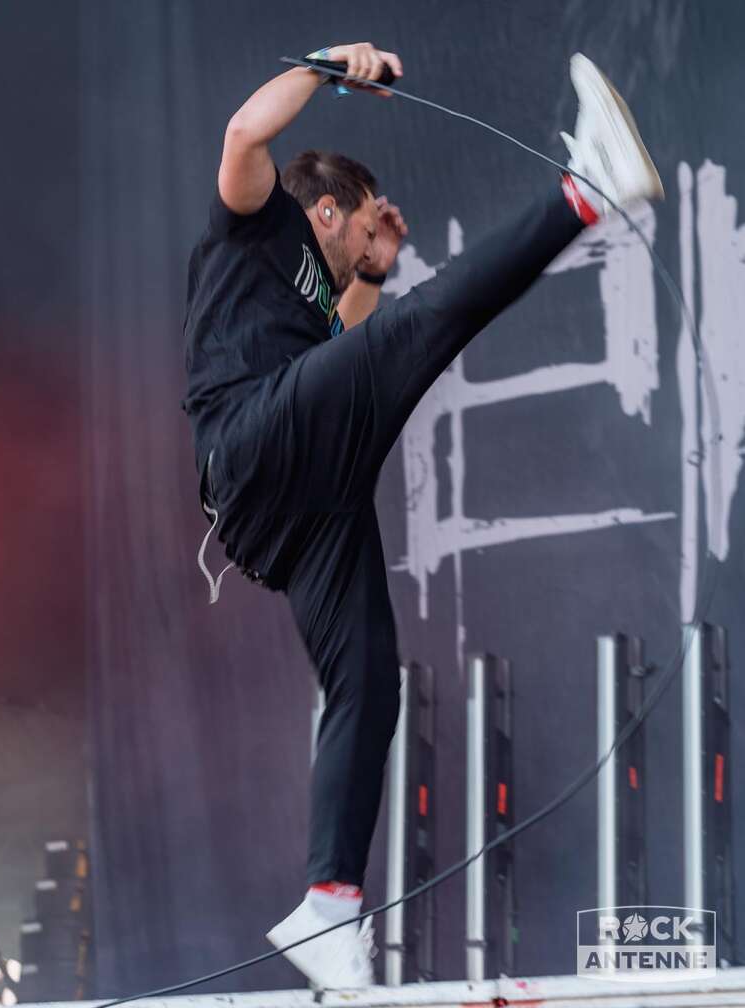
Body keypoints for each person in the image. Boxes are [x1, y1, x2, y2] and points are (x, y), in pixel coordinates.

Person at [181, 44, 663, 989]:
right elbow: (245, 133)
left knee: (369, 679)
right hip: (254, 443)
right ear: (324, 209)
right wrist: (330, 65)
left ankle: (328, 906)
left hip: (298, 508)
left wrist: (371, 274)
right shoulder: (258, 222)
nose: (376, 236)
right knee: (425, 327)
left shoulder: (323, 301)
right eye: (364, 225)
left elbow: (351, 362)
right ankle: (586, 192)